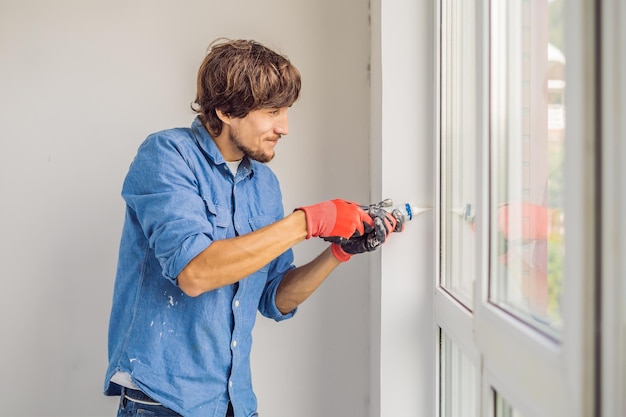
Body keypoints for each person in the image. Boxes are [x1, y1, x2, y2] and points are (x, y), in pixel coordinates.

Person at [104, 38, 404, 417]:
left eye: (287, 111)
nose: (285, 127)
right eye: (274, 111)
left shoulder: (262, 184)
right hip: (162, 404)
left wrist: (338, 252)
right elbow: (195, 272)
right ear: (228, 110)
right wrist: (309, 221)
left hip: (235, 404)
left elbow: (275, 298)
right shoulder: (166, 155)